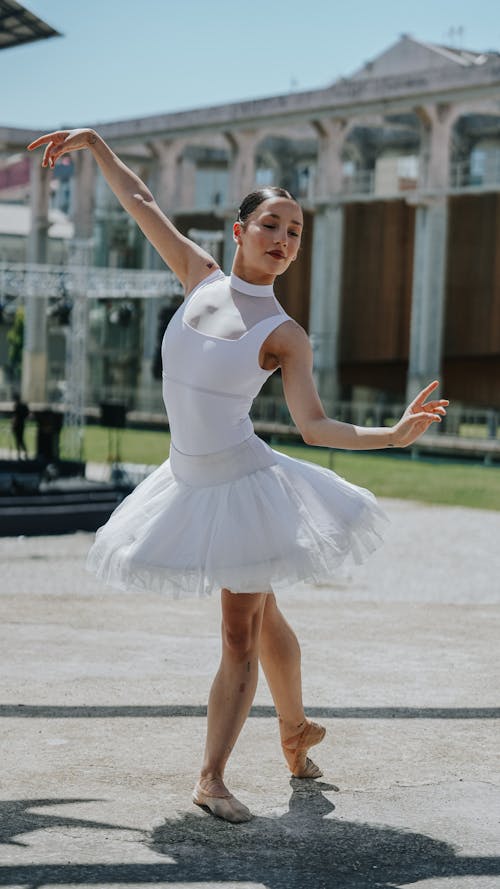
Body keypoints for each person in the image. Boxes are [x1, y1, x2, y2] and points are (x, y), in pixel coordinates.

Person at [28, 129, 449, 824]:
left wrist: (394, 434)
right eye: (272, 225)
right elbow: (141, 198)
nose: (284, 239)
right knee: (264, 611)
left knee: (239, 631)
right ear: (240, 230)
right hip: (186, 481)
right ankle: (294, 731)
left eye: (295, 232)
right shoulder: (197, 275)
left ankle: (211, 776)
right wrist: (97, 146)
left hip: (243, 486)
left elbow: (315, 426)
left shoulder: (285, 333)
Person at [11, 393, 29, 459]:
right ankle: (24, 452)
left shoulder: (17, 406)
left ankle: (19, 453)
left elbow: (15, 417)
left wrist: (13, 425)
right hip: (22, 424)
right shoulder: (23, 405)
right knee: (21, 439)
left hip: (17, 425)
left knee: (18, 440)